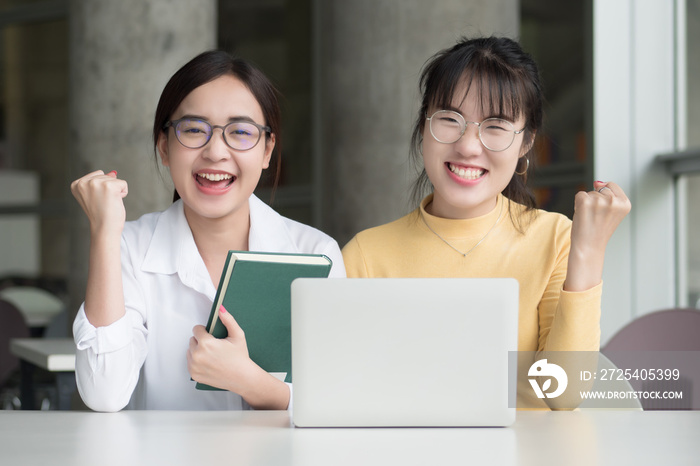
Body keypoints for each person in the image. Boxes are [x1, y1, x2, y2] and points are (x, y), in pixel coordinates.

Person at [341, 36, 631, 409]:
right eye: (449, 119)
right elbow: (350, 394)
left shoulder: (555, 238)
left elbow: (564, 394)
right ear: (424, 125)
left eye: (495, 126)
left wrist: (589, 250)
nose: (468, 146)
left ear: (526, 142)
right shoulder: (365, 255)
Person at [71, 51, 345, 412]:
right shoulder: (131, 249)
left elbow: (337, 400)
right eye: (195, 130)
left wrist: (252, 383)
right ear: (164, 146)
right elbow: (103, 395)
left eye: (241, 132)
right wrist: (105, 233)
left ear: (267, 150)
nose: (216, 152)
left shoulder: (315, 254)